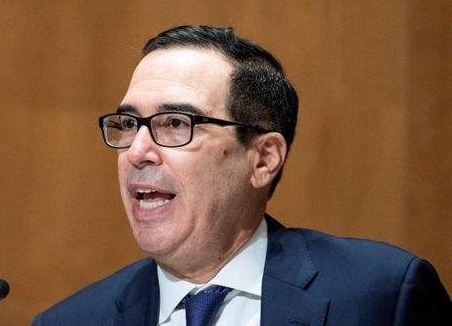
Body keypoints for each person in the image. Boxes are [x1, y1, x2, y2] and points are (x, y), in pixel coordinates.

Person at [33, 25, 451, 325]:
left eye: (176, 123)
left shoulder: (381, 296)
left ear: (264, 159)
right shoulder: (71, 319)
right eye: (128, 124)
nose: (138, 151)